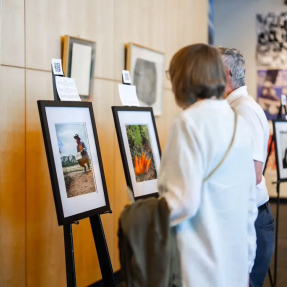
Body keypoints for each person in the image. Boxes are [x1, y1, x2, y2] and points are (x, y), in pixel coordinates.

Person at [159, 44, 258, 287]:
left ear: (184, 78)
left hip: (197, 265)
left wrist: (140, 213)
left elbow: (183, 202)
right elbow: (249, 204)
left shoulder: (187, 122)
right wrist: (247, 261)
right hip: (234, 264)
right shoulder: (237, 122)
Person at [219, 47, 275, 287]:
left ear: (224, 74)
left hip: (250, 221)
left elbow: (253, 174)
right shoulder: (235, 107)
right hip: (244, 218)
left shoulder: (243, 110)